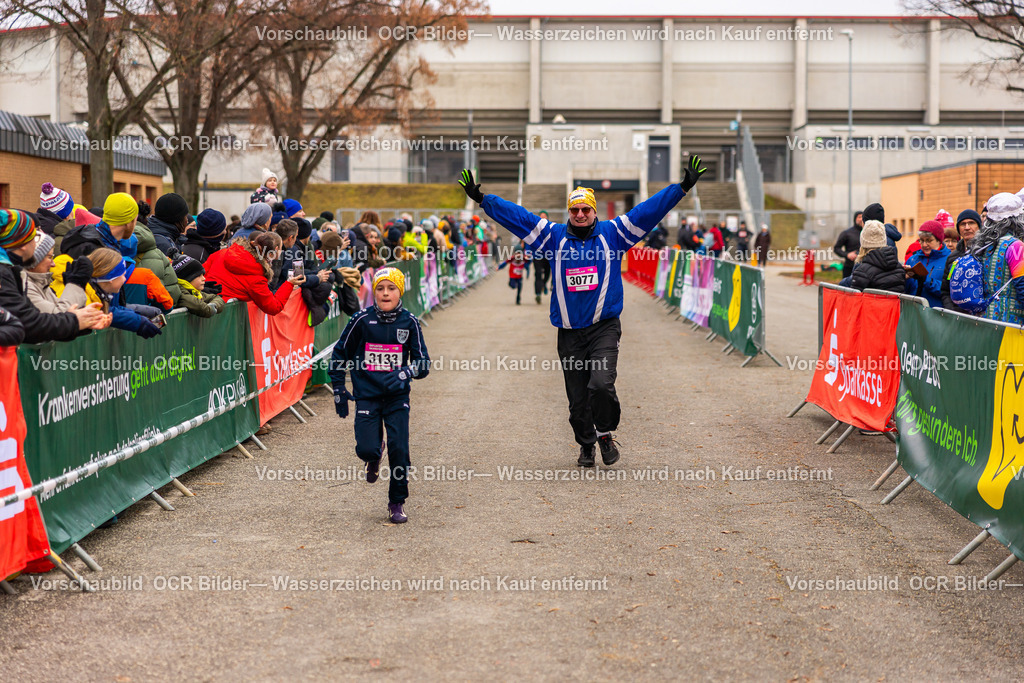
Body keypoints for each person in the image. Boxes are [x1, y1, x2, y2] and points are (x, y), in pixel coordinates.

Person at [458, 155, 707, 467]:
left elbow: (648, 212)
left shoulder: (615, 234)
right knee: (577, 402)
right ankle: (587, 444)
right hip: (569, 332)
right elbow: (518, 217)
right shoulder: (552, 237)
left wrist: (681, 188)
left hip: (604, 327)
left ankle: (605, 432)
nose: (579, 214)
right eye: (574, 209)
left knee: (600, 385)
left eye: (585, 209)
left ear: (594, 211)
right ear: (569, 211)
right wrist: (483, 200)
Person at [329, 267, 430, 524]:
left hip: (397, 398)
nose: (385, 293)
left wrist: (405, 373)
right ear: (374, 292)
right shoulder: (361, 320)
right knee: (366, 448)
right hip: (367, 395)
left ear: (400, 292)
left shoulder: (410, 322)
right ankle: (374, 456)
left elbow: (423, 364)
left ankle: (396, 502)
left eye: (391, 288)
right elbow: (340, 354)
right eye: (380, 289)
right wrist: (339, 389)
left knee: (400, 450)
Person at [205, 231, 302, 315]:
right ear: (276, 250)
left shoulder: (222, 253)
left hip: (206, 304)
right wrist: (289, 284)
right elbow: (273, 307)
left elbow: (201, 273)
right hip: (221, 316)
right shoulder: (256, 277)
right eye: (282, 249)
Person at [968, 193, 1024, 324]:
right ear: (1017, 219)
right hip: (1010, 320)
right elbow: (1022, 285)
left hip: (985, 317)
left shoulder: (982, 244)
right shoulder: (1016, 246)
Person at [22, 234, 90, 313]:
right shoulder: (25, 286)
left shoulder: (40, 282)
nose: (53, 264)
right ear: (34, 260)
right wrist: (75, 285)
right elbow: (58, 317)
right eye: (50, 257)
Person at [844, 220, 905, 293]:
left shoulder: (863, 271)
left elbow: (854, 299)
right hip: (896, 304)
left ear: (863, 243)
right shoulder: (898, 267)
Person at [941, 209, 981, 312]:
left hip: (980, 316)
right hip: (957, 317)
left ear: (979, 226)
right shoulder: (952, 257)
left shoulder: (985, 253)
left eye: (971, 223)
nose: (967, 228)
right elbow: (945, 290)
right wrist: (951, 310)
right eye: (963, 224)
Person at [904, 221, 950, 308]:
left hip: (935, 314)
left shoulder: (949, 260)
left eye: (929, 240)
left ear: (939, 240)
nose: (924, 245)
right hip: (913, 312)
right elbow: (905, 290)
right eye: (921, 241)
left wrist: (926, 280)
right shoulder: (913, 259)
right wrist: (903, 277)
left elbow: (948, 291)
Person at [833, 211, 863, 277]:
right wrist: (847, 255)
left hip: (864, 268)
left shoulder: (868, 233)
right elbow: (836, 248)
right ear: (855, 219)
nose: (861, 219)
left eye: (863, 217)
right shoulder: (847, 233)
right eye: (859, 217)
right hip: (850, 267)